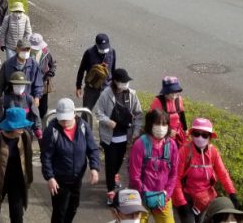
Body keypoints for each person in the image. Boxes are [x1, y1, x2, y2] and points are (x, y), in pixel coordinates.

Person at [41, 98, 101, 223]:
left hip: (77, 178)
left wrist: (94, 168)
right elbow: (46, 156)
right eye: (61, 119)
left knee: (73, 208)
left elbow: (93, 149)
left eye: (67, 119)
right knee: (60, 212)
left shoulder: (83, 126)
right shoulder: (52, 131)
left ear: (74, 114)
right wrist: (50, 177)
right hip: (59, 180)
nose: (64, 122)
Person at [174, 119, 238, 223]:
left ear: (210, 137)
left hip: (205, 199)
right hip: (187, 197)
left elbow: (223, 174)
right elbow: (176, 178)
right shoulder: (184, 151)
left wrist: (232, 193)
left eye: (204, 135)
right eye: (197, 134)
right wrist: (182, 203)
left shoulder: (213, 152)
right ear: (192, 134)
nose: (200, 138)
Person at [0, 107, 35, 223]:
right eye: (20, 126)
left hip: (17, 181)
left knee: (17, 216)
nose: (23, 128)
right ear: (12, 127)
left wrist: (28, 180)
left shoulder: (25, 136)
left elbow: (28, 160)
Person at [95, 68, 142, 199]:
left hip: (124, 136)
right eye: (123, 81)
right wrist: (107, 121)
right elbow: (98, 112)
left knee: (118, 161)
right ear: (115, 81)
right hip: (109, 137)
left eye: (127, 81)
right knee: (110, 163)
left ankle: (113, 176)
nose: (125, 84)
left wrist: (136, 132)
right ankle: (110, 190)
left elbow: (138, 114)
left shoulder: (131, 94)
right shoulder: (106, 94)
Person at [127, 108, 179, 223]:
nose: (161, 128)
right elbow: (134, 176)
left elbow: (174, 174)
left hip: (163, 198)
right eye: (157, 123)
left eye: (164, 124)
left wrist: (166, 195)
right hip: (141, 198)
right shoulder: (139, 145)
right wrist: (147, 195)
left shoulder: (172, 145)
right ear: (150, 124)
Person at [0, 72, 42, 139]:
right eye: (17, 85)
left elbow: (36, 116)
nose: (20, 87)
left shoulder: (29, 99)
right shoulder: (4, 99)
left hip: (25, 133)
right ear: (12, 85)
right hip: (8, 134)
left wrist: (38, 129)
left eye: (22, 85)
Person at [76, 33, 118, 111]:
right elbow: (81, 70)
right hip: (91, 89)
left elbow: (113, 70)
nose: (104, 51)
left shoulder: (112, 52)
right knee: (86, 111)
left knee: (108, 113)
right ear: (96, 44)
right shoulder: (88, 53)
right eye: (101, 48)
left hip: (106, 88)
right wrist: (78, 87)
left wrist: (114, 86)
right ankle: (85, 122)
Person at [0, 39, 43, 109]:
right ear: (17, 49)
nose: (25, 52)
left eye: (27, 49)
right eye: (23, 49)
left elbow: (38, 83)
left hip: (27, 101)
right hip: (10, 102)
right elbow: (1, 84)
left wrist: (37, 97)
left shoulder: (34, 64)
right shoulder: (7, 64)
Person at [150, 77, 189, 149]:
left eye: (175, 92)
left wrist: (185, 129)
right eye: (171, 93)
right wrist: (168, 131)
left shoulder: (178, 99)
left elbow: (181, 113)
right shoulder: (158, 101)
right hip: (162, 131)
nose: (173, 96)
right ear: (165, 92)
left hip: (177, 132)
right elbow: (152, 120)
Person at [31, 33, 56, 121]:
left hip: (43, 84)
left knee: (43, 107)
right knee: (31, 105)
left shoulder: (46, 53)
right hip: (30, 85)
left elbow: (53, 64)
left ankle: (41, 123)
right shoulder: (26, 54)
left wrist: (50, 73)